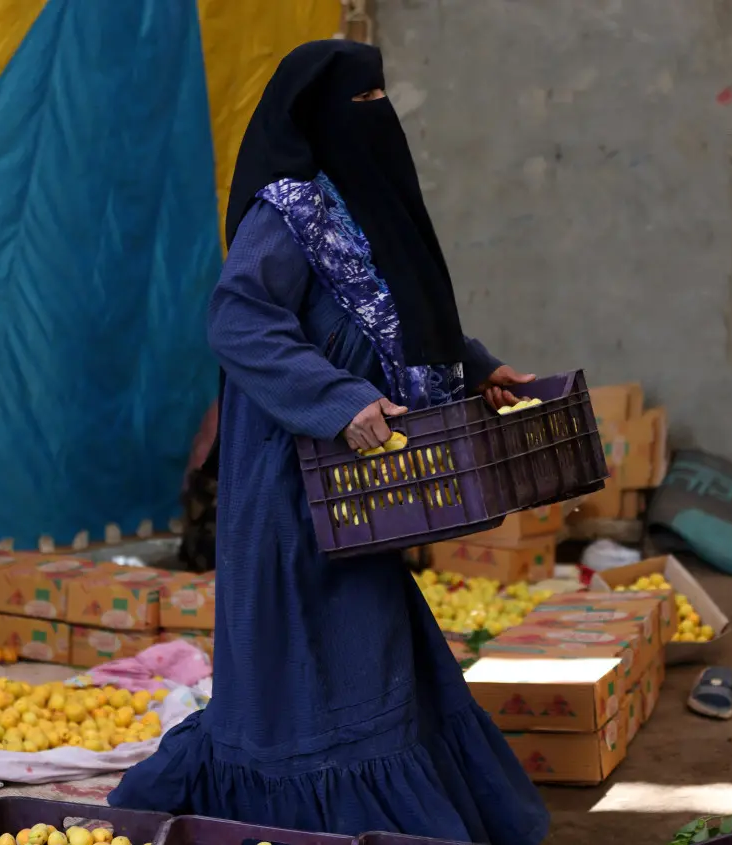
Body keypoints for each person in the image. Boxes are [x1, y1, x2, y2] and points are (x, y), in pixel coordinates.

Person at [108, 40, 550, 844]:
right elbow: (238, 322)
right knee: (303, 647)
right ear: (319, 116)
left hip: (357, 479)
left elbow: (401, 309)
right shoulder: (290, 213)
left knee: (370, 636)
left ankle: (387, 798)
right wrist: (338, 400)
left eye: (382, 97)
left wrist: (476, 364)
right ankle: (308, 806)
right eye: (361, 102)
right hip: (288, 473)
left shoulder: (365, 203)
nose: (376, 115)